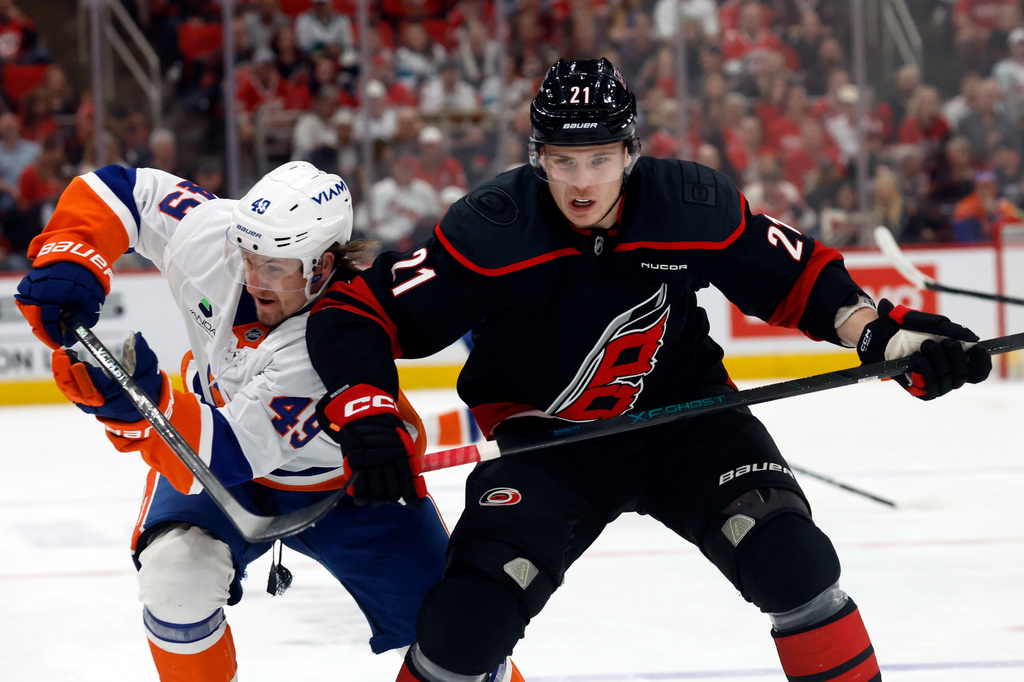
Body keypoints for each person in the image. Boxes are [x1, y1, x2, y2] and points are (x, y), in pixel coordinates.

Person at [305, 58, 994, 682]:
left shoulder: (689, 205)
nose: (581, 183)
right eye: (563, 160)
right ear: (537, 156)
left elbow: (794, 275)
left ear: (631, 152)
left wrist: (881, 335)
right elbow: (355, 312)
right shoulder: (490, 231)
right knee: (464, 624)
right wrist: (366, 413)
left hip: (688, 425)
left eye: (600, 158)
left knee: (795, 563)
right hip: (551, 447)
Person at [13, 161, 464, 681]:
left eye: (275, 267)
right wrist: (73, 251)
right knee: (174, 579)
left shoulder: (335, 338)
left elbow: (225, 453)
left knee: (459, 641)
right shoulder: (218, 240)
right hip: (229, 472)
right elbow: (124, 189)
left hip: (348, 488)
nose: (252, 280)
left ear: (323, 265)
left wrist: (141, 403)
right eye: (250, 257)